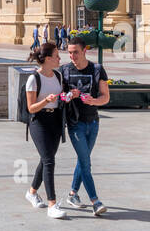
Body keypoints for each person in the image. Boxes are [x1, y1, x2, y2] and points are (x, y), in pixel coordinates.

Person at [62, 34, 110, 216]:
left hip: (93, 122)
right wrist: (68, 96)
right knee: (85, 162)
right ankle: (95, 201)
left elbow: (106, 97)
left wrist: (93, 102)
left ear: (85, 51)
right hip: (75, 123)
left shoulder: (97, 69)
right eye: (69, 53)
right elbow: (60, 97)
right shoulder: (64, 71)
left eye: (75, 53)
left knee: (83, 161)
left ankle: (73, 194)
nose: (72, 57)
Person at [23, 41, 68, 219]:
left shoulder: (58, 76)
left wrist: (67, 97)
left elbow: (59, 97)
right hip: (39, 121)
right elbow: (31, 108)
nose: (59, 58)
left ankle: (32, 192)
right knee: (49, 161)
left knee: (46, 159)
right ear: (48, 59)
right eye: (57, 56)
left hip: (55, 120)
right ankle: (52, 204)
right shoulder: (34, 79)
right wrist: (46, 101)